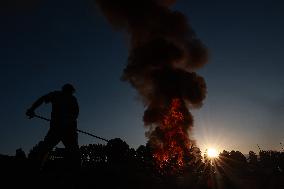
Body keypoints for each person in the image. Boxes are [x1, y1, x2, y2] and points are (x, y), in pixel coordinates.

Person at [26, 83, 80, 169]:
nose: (69, 93)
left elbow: (76, 114)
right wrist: (32, 109)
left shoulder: (70, 98)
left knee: (74, 154)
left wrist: (32, 109)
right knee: (45, 150)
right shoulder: (58, 95)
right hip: (59, 129)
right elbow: (43, 99)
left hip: (67, 130)